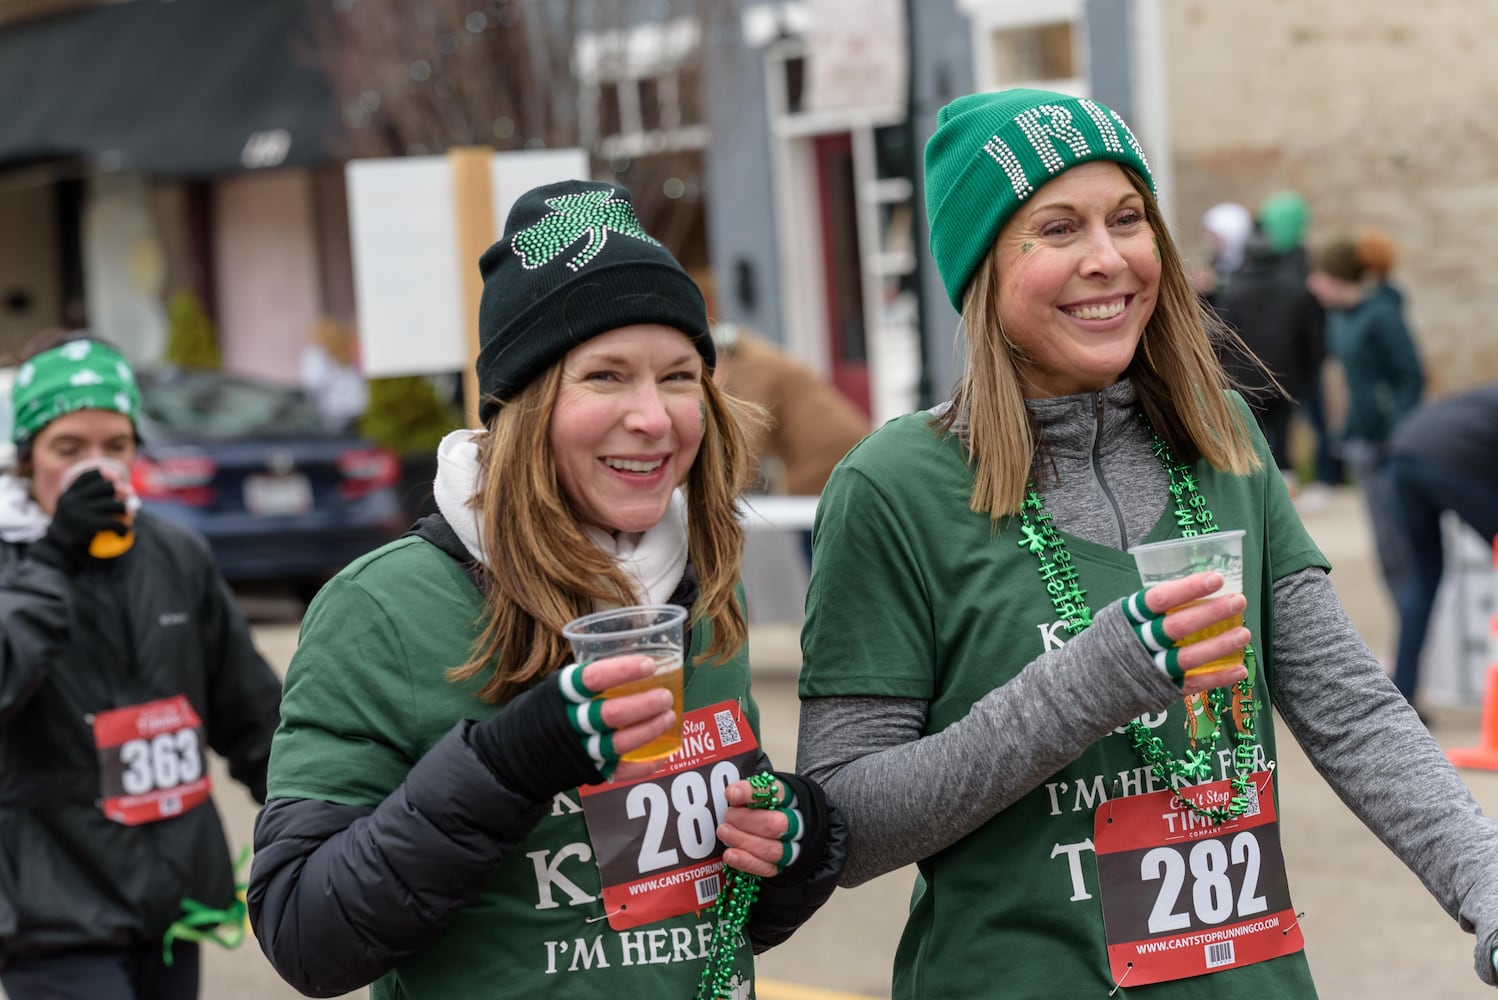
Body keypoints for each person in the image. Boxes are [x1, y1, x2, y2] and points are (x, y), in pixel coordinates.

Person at [795, 88, 1498, 998]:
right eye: (1056, 229)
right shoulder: (894, 487)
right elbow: (844, 821)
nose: (1109, 259)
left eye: (1129, 219)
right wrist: (1096, 678)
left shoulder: (1224, 439)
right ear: (980, 269)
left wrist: (1488, 883)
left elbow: (1353, 712)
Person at [248, 179, 846, 999]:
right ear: (524, 406)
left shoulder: (703, 587)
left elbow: (696, 906)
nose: (654, 417)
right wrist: (509, 764)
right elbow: (304, 936)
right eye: (605, 375)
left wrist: (797, 848)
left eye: (678, 376)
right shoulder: (382, 609)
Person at [0, 333, 283, 1000]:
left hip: (172, 904)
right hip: (55, 914)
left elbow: (251, 715)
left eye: (115, 446)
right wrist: (55, 557)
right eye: (69, 449)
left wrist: (320, 819)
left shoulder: (175, 554)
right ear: (25, 459)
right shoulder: (14, 564)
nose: (96, 467)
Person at [1309, 236, 1424, 603]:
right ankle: (1406, 626)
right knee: (1384, 548)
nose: (1313, 285)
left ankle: (1414, 629)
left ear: (1338, 278)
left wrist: (1396, 430)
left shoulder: (1382, 314)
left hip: (1387, 442)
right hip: (1361, 439)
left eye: (1320, 277)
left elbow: (1411, 375)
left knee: (1400, 544)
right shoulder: (1339, 317)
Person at [710, 322, 871, 563]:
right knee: (835, 539)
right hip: (846, 450)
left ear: (721, 357)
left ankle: (826, 597)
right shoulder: (767, 362)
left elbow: (748, 437)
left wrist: (715, 492)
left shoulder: (751, 370)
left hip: (822, 461)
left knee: (819, 543)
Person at [1385, 385, 1498, 709]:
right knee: (1425, 576)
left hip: (1403, 456)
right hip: (1446, 460)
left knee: (1423, 579)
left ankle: (1402, 696)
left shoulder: (1479, 401)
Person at [1211, 222, 1326, 479]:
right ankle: (1287, 490)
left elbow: (1219, 337)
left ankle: (1259, 492)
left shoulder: (1234, 292)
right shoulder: (1294, 291)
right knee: (1284, 437)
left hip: (1246, 381)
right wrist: (1307, 372)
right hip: (1287, 378)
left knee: (1253, 440)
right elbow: (1312, 338)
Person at [299, 316, 368, 433]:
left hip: (334, 409)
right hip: (359, 404)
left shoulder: (316, 353)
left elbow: (313, 382)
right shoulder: (345, 347)